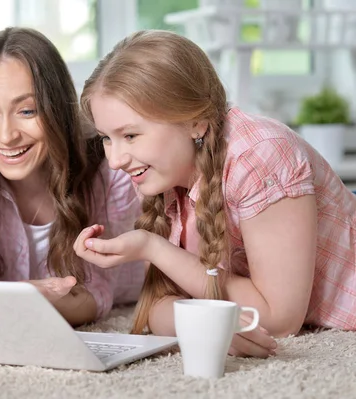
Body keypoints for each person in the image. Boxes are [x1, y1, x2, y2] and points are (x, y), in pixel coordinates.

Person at [74, 29, 356, 356]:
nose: (115, 160)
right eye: (107, 138)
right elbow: (155, 309)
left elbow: (279, 321)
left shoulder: (259, 156)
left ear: (197, 123)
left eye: (131, 135)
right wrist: (206, 323)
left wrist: (153, 247)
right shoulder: (160, 174)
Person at [0, 27, 145, 327]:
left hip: (130, 291)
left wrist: (20, 302)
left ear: (57, 109)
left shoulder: (107, 166)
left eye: (27, 111)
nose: (7, 136)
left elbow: (96, 293)